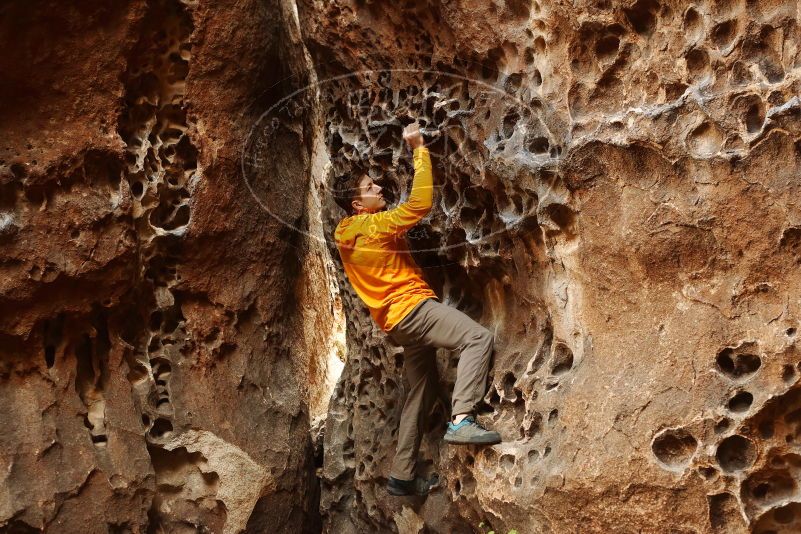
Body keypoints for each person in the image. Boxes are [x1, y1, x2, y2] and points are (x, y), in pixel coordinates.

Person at [332, 121, 501, 497]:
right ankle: (462, 420)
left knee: (420, 389)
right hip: (413, 310)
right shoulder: (373, 226)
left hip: (394, 324)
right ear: (358, 204)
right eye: (369, 188)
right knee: (477, 337)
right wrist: (419, 149)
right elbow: (419, 204)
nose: (378, 187)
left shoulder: (346, 236)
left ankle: (402, 476)